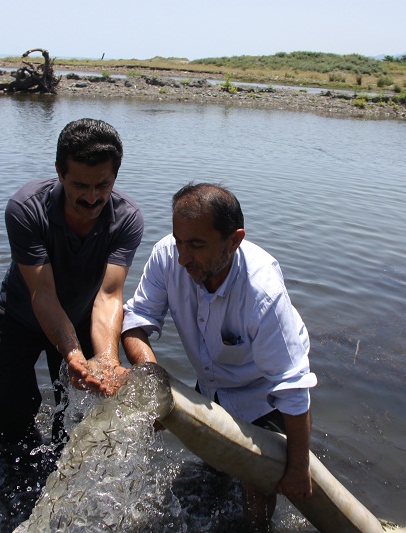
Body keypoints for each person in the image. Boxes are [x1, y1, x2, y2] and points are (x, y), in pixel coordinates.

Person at [122, 183, 317, 530]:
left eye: (196, 245)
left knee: (256, 492)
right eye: (179, 241)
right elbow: (135, 323)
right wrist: (153, 385)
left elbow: (292, 386)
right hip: (211, 383)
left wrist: (299, 467)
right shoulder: (169, 256)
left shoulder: (262, 292)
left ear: (234, 240)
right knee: (211, 470)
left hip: (261, 395)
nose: (183, 258)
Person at [0, 118, 143, 451]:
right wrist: (72, 352)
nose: (92, 197)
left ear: (115, 176)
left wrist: (106, 359)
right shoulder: (26, 209)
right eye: (80, 186)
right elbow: (42, 293)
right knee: (7, 410)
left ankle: (62, 472)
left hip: (86, 317)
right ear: (59, 172)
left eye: (103, 185)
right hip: (21, 317)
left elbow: (109, 294)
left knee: (79, 420)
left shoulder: (127, 218)